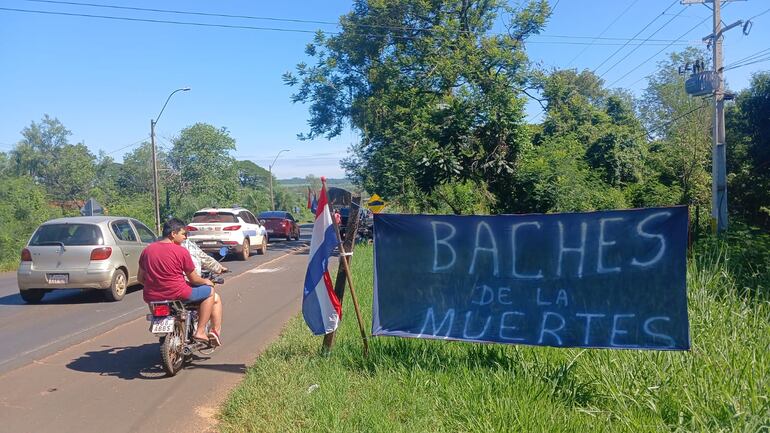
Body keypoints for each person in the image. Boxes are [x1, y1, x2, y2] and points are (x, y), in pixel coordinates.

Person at [138, 218, 223, 347]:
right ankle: (200, 331)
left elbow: (140, 278)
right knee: (210, 292)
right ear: (173, 234)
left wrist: (156, 285)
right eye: (183, 234)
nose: (185, 238)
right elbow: (194, 279)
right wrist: (207, 281)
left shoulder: (147, 250)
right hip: (179, 293)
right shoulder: (181, 251)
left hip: (152, 296)